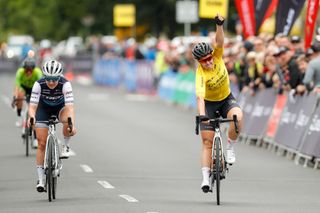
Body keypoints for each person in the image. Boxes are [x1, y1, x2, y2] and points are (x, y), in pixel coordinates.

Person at [192, 14, 243, 193]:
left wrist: (219, 25)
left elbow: (219, 42)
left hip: (226, 98)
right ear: (199, 62)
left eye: (209, 57)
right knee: (207, 142)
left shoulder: (218, 56)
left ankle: (230, 146)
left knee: (237, 117)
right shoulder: (200, 75)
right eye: (204, 60)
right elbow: (200, 97)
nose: (209, 61)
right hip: (209, 105)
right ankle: (205, 178)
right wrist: (202, 115)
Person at [28, 60, 76, 192]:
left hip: (60, 109)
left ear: (59, 77)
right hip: (43, 110)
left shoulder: (65, 84)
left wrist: (72, 124)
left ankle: (65, 145)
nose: (51, 82)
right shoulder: (38, 84)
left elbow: (70, 107)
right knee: (41, 144)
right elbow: (32, 107)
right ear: (44, 77)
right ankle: (41, 180)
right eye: (48, 79)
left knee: (68, 119)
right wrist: (31, 117)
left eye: (54, 79)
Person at [13, 57, 42, 147]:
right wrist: (15, 97)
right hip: (24, 88)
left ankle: (35, 138)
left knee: (32, 114)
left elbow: (41, 86)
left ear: (33, 69)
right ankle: (19, 115)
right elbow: (17, 87)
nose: (29, 72)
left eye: (30, 70)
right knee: (19, 96)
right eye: (27, 70)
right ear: (24, 69)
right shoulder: (20, 72)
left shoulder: (37, 72)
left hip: (34, 89)